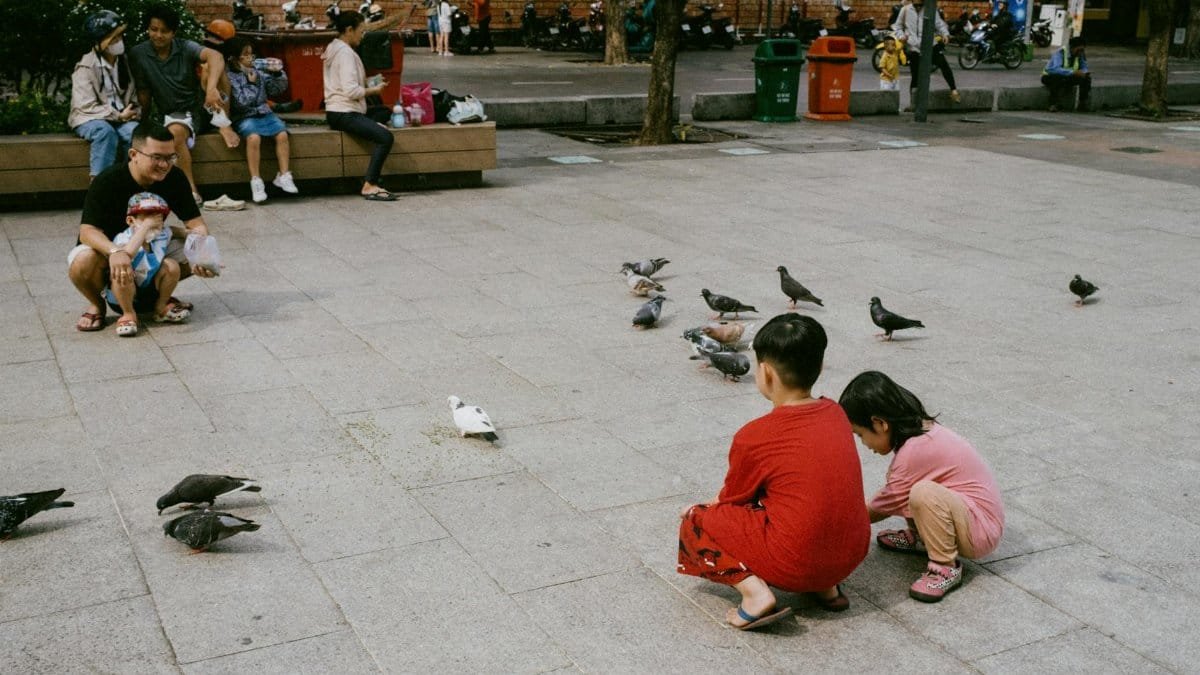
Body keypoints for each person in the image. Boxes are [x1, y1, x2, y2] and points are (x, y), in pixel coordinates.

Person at [677, 314, 870, 631]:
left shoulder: (755, 436)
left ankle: (754, 595)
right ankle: (826, 588)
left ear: (765, 372)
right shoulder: (836, 413)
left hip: (798, 562)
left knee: (696, 523)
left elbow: (733, 500)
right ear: (819, 368)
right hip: (850, 554)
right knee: (799, 500)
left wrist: (698, 511)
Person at [838, 371, 1005, 603]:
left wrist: (842, 524)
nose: (863, 444)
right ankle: (921, 538)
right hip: (972, 517)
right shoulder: (919, 433)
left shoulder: (914, 451)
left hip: (980, 530)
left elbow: (885, 503)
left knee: (921, 492)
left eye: (860, 434)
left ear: (880, 424)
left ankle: (945, 567)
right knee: (910, 487)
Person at [68, 123, 217, 333]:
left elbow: (196, 224)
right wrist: (115, 251)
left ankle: (156, 296)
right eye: (157, 157)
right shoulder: (107, 180)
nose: (165, 165)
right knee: (83, 261)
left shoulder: (175, 177)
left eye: (170, 157)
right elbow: (87, 231)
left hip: (152, 244)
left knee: (198, 246)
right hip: (109, 251)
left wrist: (203, 255)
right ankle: (97, 304)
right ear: (133, 154)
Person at [128, 3, 228, 205]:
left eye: (164, 31)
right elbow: (143, 90)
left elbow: (216, 56)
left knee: (175, 133)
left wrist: (211, 89)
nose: (157, 35)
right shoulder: (139, 53)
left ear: (173, 32)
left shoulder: (184, 47)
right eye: (153, 29)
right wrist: (142, 119)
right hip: (165, 113)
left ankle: (189, 192)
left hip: (194, 111)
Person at [323, 10, 398, 201]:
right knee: (385, 137)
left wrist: (371, 81)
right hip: (345, 112)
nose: (362, 35)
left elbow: (347, 83)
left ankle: (371, 124)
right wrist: (374, 91)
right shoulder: (345, 54)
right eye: (361, 31)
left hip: (337, 111)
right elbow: (350, 91)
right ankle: (370, 184)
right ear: (349, 30)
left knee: (383, 112)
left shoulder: (333, 47)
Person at [98, 192, 190, 337]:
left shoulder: (162, 234)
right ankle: (128, 314)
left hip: (149, 291)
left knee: (171, 265)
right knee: (123, 271)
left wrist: (191, 234)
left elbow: (172, 230)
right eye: (146, 217)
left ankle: (160, 307)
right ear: (130, 221)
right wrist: (145, 227)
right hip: (122, 296)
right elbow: (127, 253)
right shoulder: (124, 238)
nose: (152, 222)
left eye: (157, 217)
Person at [225, 36, 298, 203]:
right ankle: (256, 181)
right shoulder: (230, 77)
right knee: (254, 137)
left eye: (252, 54)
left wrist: (277, 73)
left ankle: (284, 175)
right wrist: (250, 84)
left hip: (265, 113)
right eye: (246, 55)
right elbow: (241, 102)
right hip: (244, 116)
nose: (251, 58)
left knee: (281, 134)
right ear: (235, 58)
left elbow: (276, 88)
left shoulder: (257, 72)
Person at [70, 10, 141, 181]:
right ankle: (99, 184)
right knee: (104, 132)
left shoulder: (124, 62)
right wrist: (118, 115)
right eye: (113, 39)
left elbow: (132, 97)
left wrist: (133, 112)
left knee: (134, 134)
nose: (118, 41)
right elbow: (85, 106)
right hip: (90, 118)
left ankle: (133, 182)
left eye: (119, 37)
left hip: (120, 118)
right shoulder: (86, 67)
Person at [892, 0, 960, 106]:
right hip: (913, 47)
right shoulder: (905, 10)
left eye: (921, 5)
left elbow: (940, 24)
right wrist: (901, 36)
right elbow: (897, 27)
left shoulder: (931, 9)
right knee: (915, 75)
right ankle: (913, 103)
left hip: (930, 45)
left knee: (944, 65)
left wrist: (945, 34)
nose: (919, 7)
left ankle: (954, 90)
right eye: (916, 5)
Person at [1042, 37, 1091, 112]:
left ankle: (1082, 103)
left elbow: (1084, 67)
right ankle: (1053, 104)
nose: (1080, 52)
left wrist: (1084, 72)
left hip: (1068, 76)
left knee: (1087, 78)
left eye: (1082, 50)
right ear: (1072, 47)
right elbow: (1054, 69)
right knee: (1056, 79)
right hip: (1050, 76)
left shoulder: (1081, 54)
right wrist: (1072, 72)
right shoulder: (1060, 53)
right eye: (1079, 50)